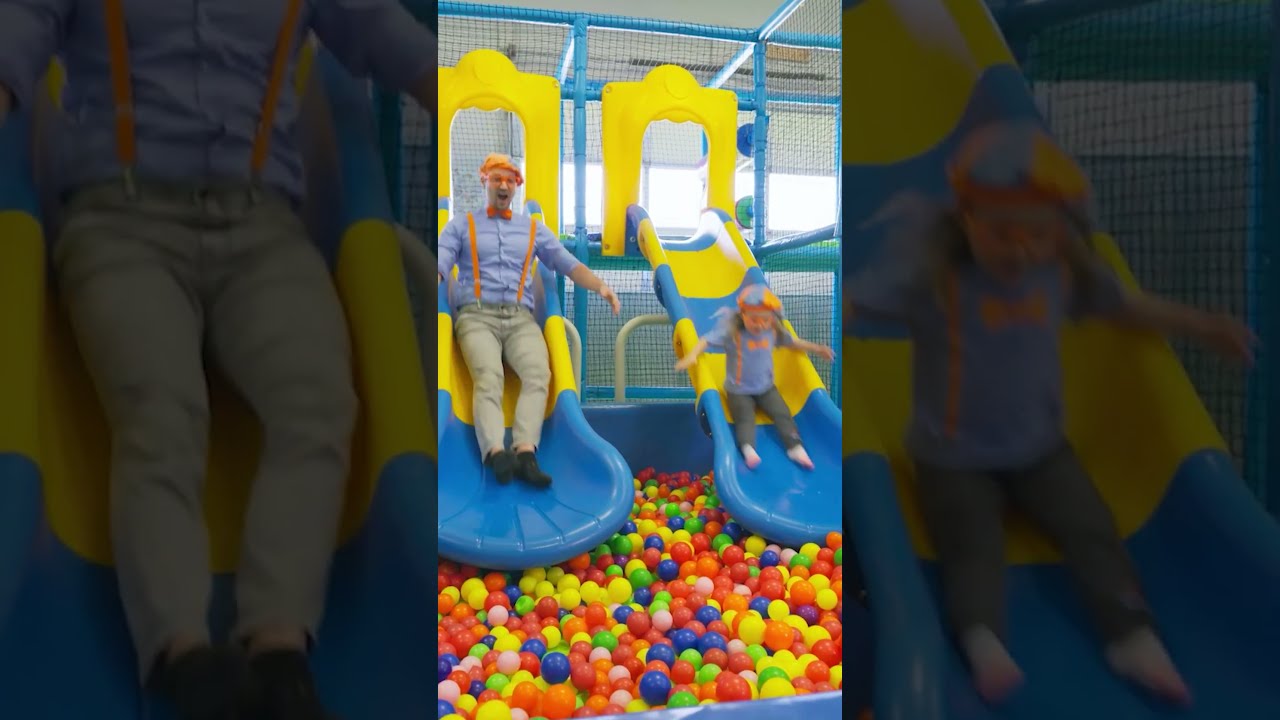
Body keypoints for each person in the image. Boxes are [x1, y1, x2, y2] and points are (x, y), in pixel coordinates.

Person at [0, 2, 435, 719]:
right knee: (161, 411)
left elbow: (383, 33)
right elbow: (20, 29)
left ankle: (277, 641)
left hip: (262, 228)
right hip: (121, 221)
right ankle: (179, 651)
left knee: (319, 401)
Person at [846, 120, 1253, 706]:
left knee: (1091, 527)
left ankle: (1130, 634)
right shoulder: (937, 281)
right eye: (1002, 233)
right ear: (967, 221)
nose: (1021, 248)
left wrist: (1202, 325)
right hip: (953, 458)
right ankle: (981, 637)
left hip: (1040, 448)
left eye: (1037, 235)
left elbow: (1128, 308)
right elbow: (859, 300)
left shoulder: (1065, 274)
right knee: (972, 544)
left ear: (1060, 233)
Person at [437, 153, 621, 486]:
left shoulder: (533, 228)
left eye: (510, 180)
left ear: (517, 187)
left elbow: (565, 262)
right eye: (497, 179)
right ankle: (494, 452)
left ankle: (525, 452)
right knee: (488, 375)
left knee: (539, 372)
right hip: (477, 316)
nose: (503, 185)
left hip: (521, 319)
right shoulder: (462, 225)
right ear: (485, 182)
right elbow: (440, 260)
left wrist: (602, 287)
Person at [675, 285, 835, 469]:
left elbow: (794, 343)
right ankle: (748, 448)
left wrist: (818, 349)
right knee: (745, 418)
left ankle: (794, 447)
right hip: (739, 391)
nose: (760, 325)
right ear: (743, 315)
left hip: (766, 388)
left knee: (782, 413)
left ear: (772, 319)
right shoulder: (733, 333)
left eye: (765, 320)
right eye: (754, 320)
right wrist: (692, 355)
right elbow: (706, 340)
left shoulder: (773, 332)